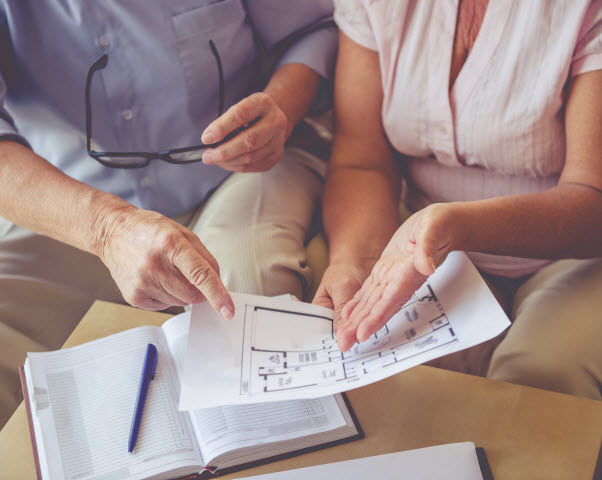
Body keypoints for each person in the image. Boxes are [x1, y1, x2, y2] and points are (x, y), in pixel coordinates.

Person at [0, 0, 336, 426]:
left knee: (247, 317)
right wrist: (107, 228)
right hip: (71, 208)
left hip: (240, 174)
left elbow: (314, 32)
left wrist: (281, 106)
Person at [314, 0, 602, 400]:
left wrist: (459, 226)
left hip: (574, 256)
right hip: (421, 241)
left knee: (538, 377)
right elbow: (363, 159)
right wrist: (354, 260)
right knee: (347, 343)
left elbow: (593, 200)